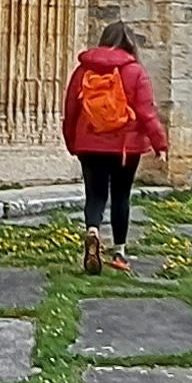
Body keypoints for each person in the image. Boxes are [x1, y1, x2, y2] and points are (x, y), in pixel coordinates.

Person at [60, 20, 169, 273]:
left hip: (89, 144)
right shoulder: (135, 71)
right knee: (121, 196)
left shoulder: (83, 70)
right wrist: (159, 144)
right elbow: (146, 112)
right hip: (125, 147)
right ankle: (119, 253)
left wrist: (72, 142)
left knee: (95, 194)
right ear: (129, 42)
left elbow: (71, 110)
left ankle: (92, 231)